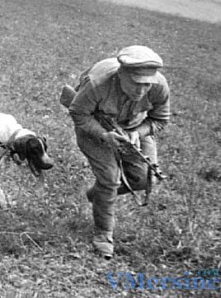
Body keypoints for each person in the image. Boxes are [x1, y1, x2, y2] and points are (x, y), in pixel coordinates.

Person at [66, 45, 170, 260]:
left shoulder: (159, 86)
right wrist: (104, 136)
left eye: (147, 84)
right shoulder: (98, 84)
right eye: (136, 83)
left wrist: (138, 132)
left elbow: (160, 119)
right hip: (95, 126)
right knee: (109, 179)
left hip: (133, 128)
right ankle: (103, 235)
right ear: (121, 74)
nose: (141, 90)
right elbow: (78, 113)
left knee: (144, 179)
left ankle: (98, 195)